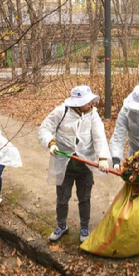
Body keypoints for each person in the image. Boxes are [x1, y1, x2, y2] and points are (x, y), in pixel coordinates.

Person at [38, 85, 111, 243]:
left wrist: (103, 158)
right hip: (64, 164)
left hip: (85, 165)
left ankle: (84, 227)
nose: (90, 104)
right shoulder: (61, 112)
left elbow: (99, 137)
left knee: (84, 197)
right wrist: (51, 143)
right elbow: (44, 128)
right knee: (62, 198)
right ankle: (61, 226)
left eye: (91, 101)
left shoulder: (93, 115)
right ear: (77, 103)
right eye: (87, 102)